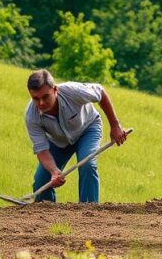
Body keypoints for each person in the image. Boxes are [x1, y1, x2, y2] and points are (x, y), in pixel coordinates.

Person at [24, 69, 128, 203]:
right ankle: (45, 217)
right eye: (36, 99)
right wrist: (54, 171)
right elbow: (42, 150)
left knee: (87, 164)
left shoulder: (72, 91)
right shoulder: (31, 116)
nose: (41, 103)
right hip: (59, 141)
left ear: (55, 90)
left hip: (87, 129)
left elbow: (100, 92)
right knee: (41, 180)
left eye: (45, 97)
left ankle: (89, 212)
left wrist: (115, 125)